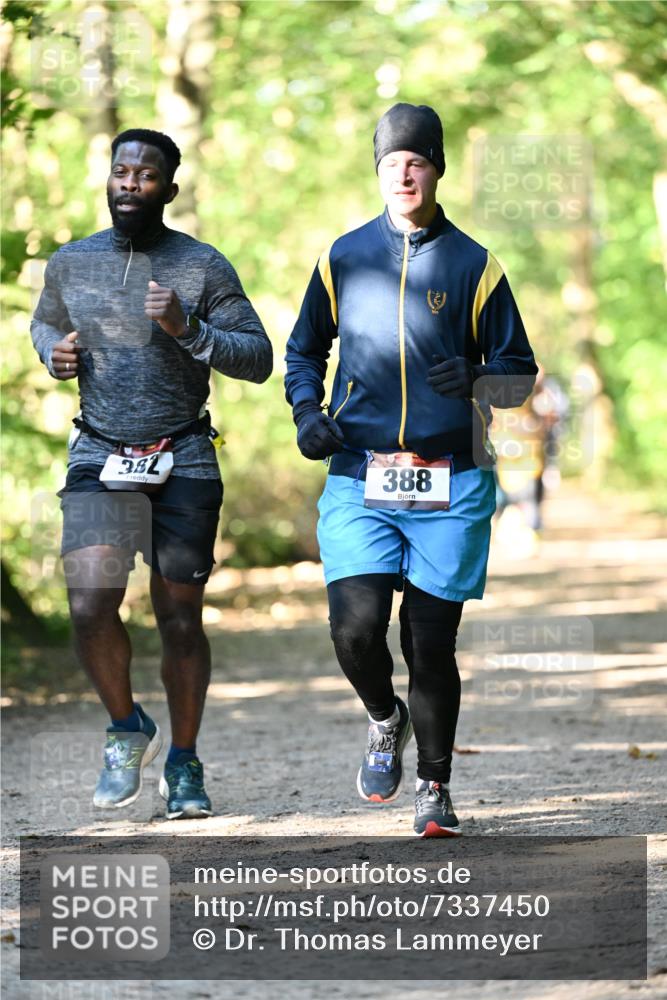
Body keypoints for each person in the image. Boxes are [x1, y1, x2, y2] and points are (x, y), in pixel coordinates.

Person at [285, 104, 537, 837]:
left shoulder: (474, 265)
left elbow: (518, 372)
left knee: (429, 641)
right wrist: (307, 412)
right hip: (360, 472)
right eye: (390, 159)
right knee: (355, 631)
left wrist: (481, 378)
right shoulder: (343, 256)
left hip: (451, 479)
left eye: (416, 159)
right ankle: (381, 715)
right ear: (377, 169)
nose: (402, 170)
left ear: (436, 168)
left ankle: (433, 787)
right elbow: (304, 352)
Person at [31, 129, 272, 819]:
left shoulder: (201, 266)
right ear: (107, 180)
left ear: (168, 188)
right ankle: (125, 725)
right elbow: (43, 324)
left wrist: (188, 326)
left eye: (145, 174)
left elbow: (255, 357)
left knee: (180, 619)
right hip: (100, 452)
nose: (130, 182)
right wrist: (56, 353)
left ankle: (186, 762)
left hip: (184, 457)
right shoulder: (73, 263)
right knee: (89, 604)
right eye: (120, 171)